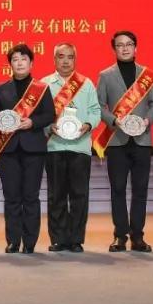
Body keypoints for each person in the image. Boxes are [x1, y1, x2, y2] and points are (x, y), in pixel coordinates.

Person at [93, 30, 153, 252]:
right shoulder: (105, 75)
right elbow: (99, 105)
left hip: (142, 140)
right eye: (120, 45)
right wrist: (113, 120)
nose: (125, 48)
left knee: (140, 190)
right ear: (114, 49)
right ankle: (120, 236)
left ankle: (138, 236)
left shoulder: (148, 75)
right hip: (117, 141)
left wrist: (147, 121)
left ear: (135, 47)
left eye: (129, 44)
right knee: (118, 189)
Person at [0, 44, 56, 253]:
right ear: (10, 64)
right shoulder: (1, 89)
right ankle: (13, 241)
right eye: (15, 60)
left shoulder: (41, 88)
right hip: (8, 149)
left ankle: (29, 242)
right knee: (11, 197)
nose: (19, 63)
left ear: (31, 63)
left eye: (23, 59)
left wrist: (32, 122)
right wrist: (1, 125)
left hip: (33, 148)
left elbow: (49, 114)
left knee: (31, 197)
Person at [43, 43, 101, 253]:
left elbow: (95, 111)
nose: (65, 61)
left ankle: (76, 239)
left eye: (70, 57)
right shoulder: (44, 84)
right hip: (54, 146)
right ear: (54, 59)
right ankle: (59, 238)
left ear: (75, 59)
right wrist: (49, 126)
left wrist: (88, 125)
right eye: (61, 56)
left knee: (79, 195)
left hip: (80, 147)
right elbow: (40, 114)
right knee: (56, 195)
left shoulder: (86, 84)